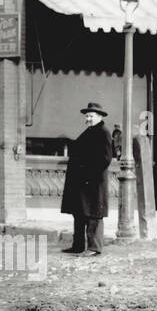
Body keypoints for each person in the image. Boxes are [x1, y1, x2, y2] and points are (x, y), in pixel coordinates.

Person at [61, 102, 114, 257]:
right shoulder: (91, 131)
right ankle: (77, 246)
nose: (88, 118)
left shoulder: (103, 132)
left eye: (91, 116)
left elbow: (105, 159)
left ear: (99, 117)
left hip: (93, 183)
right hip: (83, 183)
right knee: (79, 213)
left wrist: (88, 173)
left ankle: (94, 247)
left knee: (94, 215)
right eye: (87, 115)